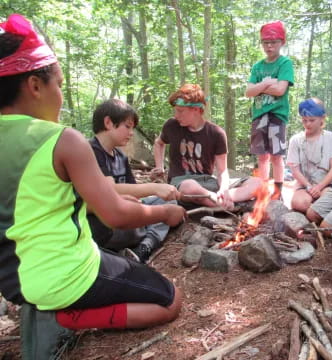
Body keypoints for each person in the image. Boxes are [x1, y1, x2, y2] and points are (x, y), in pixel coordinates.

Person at [0, 13, 185, 343]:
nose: (60, 93)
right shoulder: (63, 141)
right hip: (67, 274)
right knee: (170, 299)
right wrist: (165, 212)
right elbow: (114, 212)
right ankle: (70, 317)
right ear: (34, 85)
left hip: (16, 278)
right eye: (58, 84)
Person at [88, 99, 181, 263]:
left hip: (126, 213)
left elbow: (133, 191)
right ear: (108, 122)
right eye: (127, 126)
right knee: (154, 214)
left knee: (167, 203)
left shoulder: (121, 156)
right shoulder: (89, 151)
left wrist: (151, 191)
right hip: (103, 222)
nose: (131, 133)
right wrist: (153, 188)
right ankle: (138, 241)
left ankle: (143, 248)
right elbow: (107, 190)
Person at [152, 84, 262, 209]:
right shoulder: (171, 126)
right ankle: (222, 203)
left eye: (180, 111)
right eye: (176, 110)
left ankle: (218, 201)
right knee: (190, 187)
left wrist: (224, 189)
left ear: (197, 110)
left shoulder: (216, 133)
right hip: (182, 184)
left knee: (257, 183)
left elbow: (222, 171)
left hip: (208, 182)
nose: (176, 115)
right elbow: (158, 143)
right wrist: (159, 166)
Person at [245, 20, 294, 200]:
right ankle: (263, 189)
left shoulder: (285, 63)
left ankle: (279, 191)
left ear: (282, 42)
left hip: (277, 115)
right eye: (265, 42)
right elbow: (248, 92)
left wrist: (258, 87)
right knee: (262, 156)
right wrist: (266, 83)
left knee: (276, 156)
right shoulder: (258, 66)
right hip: (259, 115)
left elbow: (280, 90)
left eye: (273, 42)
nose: (269, 46)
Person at [286, 98, 332, 213]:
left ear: (322, 118)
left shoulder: (331, 137)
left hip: (327, 184)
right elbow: (294, 169)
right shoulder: (296, 140)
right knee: (299, 203)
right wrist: (308, 186)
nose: (307, 124)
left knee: (326, 201)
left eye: (312, 120)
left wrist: (319, 187)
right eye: (304, 120)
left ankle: (315, 212)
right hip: (304, 184)